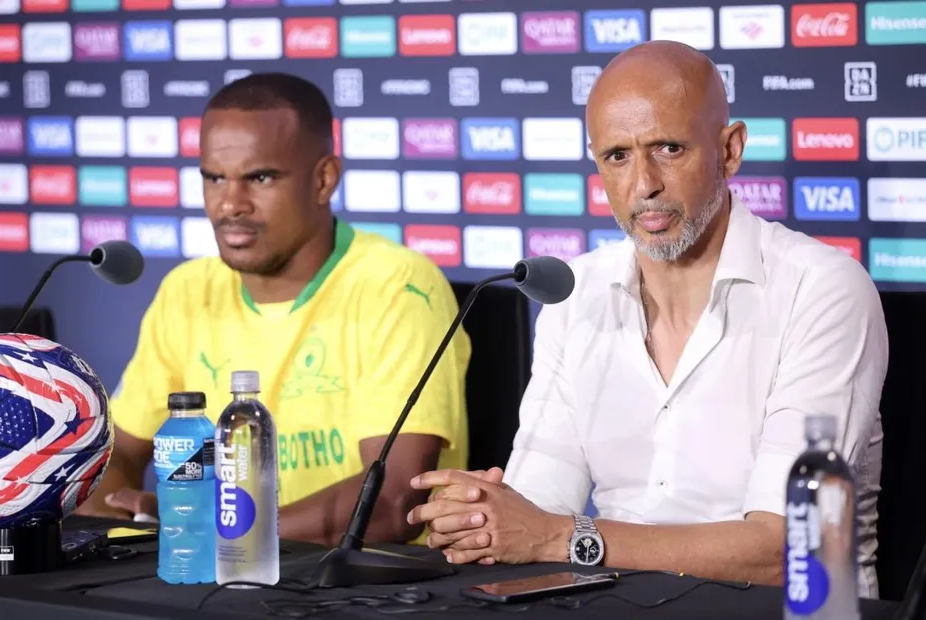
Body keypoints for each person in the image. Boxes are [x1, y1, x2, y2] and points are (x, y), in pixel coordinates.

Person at [406, 41, 887, 597]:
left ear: (729, 150)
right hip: (608, 605)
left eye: (669, 148)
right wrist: (480, 520)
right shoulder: (575, 295)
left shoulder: (820, 290)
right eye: (617, 156)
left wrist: (564, 537)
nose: (643, 184)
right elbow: (536, 509)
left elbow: (790, 551)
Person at [77, 72, 472, 547]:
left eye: (260, 178)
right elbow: (114, 456)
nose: (230, 204)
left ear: (323, 179)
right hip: (210, 571)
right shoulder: (188, 289)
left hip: (365, 581)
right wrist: (112, 510)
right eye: (214, 178)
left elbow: (392, 502)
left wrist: (218, 533)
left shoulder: (399, 286)